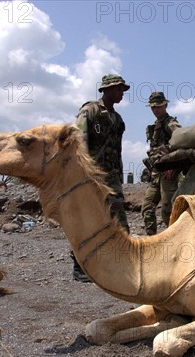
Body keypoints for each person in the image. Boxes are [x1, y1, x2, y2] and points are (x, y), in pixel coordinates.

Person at [71, 74, 130, 282]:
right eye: (118, 89)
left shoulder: (117, 119)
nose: (121, 93)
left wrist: (119, 176)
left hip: (112, 176)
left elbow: (117, 151)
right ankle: (79, 265)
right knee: (89, 218)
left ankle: (122, 262)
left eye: (122, 89)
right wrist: (84, 173)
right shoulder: (90, 111)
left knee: (118, 217)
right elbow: (79, 142)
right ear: (106, 90)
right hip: (92, 174)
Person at [141, 92, 182, 235]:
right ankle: (152, 239)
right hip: (156, 174)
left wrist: (173, 165)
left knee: (167, 211)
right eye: (153, 107)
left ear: (165, 105)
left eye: (159, 106)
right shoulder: (155, 126)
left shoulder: (171, 123)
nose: (156, 110)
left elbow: (183, 140)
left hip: (168, 174)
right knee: (147, 208)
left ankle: (175, 238)